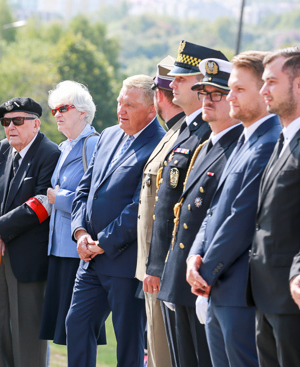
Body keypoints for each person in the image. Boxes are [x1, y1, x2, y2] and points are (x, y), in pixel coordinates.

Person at [185, 51, 280, 367]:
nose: (231, 96)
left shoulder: (268, 142)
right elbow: (214, 209)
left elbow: (242, 216)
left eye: (239, 89)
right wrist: (194, 257)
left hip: (239, 289)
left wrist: (205, 272)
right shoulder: (245, 139)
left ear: (264, 92)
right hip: (218, 287)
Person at [67, 75, 165, 367]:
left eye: (130, 105)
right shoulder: (109, 135)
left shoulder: (159, 145)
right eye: (120, 102)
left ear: (152, 109)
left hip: (125, 263)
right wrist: (80, 232)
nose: (121, 109)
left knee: (128, 341)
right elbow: (85, 189)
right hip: (91, 259)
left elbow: (140, 208)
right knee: (77, 323)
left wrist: (103, 242)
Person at [144, 40, 225, 366]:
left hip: (190, 267)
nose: (172, 83)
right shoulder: (188, 131)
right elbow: (166, 204)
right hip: (173, 265)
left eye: (182, 78)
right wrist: (158, 264)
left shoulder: (209, 132)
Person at [159, 58, 243, 367]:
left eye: (216, 94)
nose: (207, 100)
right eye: (203, 93)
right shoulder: (208, 143)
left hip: (206, 280)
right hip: (183, 274)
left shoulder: (236, 147)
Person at [0, 96, 60, 366]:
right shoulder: (1, 150)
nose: (10, 127)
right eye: (5, 122)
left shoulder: (50, 153)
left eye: (18, 121)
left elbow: (41, 205)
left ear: (35, 124)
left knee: (27, 342)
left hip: (27, 261)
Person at [246, 46, 300, 367]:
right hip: (265, 293)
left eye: (271, 82)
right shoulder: (284, 138)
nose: (263, 90)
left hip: (291, 296)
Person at [38, 80, 102, 347]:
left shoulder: (94, 145)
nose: (57, 115)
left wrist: (59, 198)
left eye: (64, 108)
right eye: (54, 110)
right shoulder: (64, 147)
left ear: (83, 112)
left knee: (78, 327)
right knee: (64, 330)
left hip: (78, 249)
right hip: (58, 248)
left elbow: (98, 197)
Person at [136, 55, 184, 367]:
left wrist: (156, 265)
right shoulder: (171, 134)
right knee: (155, 353)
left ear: (159, 96)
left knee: (163, 356)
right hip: (152, 267)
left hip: (162, 268)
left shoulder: (181, 137)